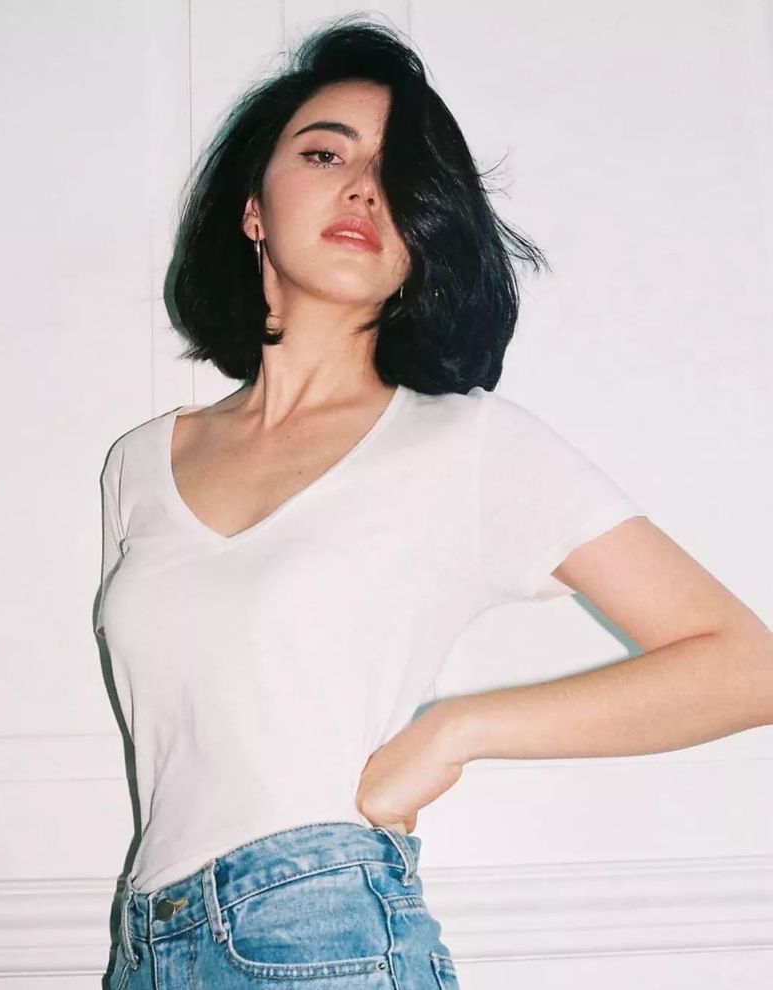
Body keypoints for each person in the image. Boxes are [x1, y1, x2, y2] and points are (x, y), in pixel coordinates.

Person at [97, 16, 773, 990]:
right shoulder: (139, 463)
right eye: (325, 153)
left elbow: (746, 667)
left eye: (398, 175)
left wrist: (454, 731)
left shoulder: (462, 442)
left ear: (421, 237)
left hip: (319, 931)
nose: (363, 187)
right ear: (251, 210)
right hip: (146, 944)